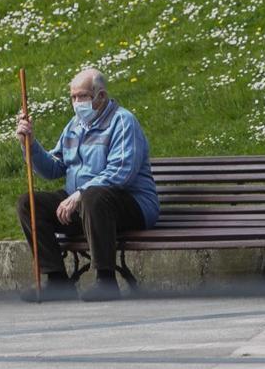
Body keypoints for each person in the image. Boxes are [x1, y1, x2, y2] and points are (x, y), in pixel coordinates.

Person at [15, 68, 159, 302]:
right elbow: (53, 167)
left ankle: (106, 280)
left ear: (101, 96)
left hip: (129, 204)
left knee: (94, 196)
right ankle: (57, 281)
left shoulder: (123, 122)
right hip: (85, 205)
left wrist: (80, 194)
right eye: (72, 97)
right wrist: (29, 144)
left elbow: (122, 171)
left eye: (82, 96)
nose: (76, 103)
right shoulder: (75, 126)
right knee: (28, 203)